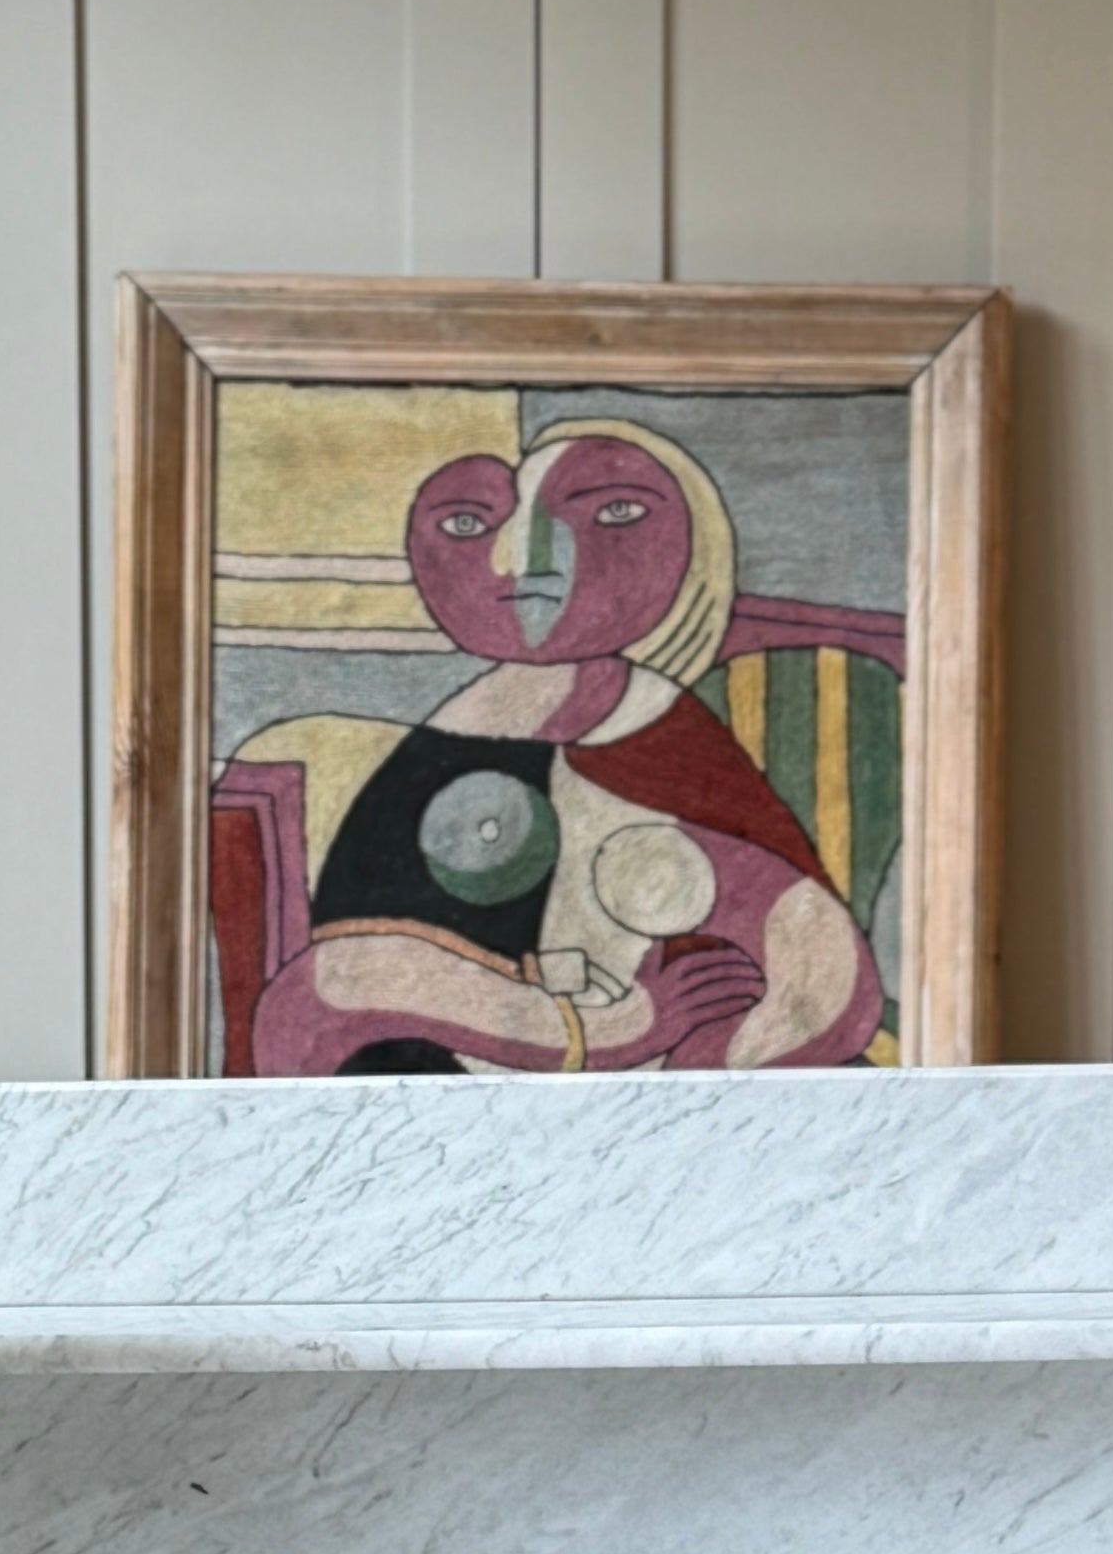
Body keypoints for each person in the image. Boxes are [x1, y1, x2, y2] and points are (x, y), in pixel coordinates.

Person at [230, 421, 886, 1076]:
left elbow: (819, 969)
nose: (527, 559)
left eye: (615, 513)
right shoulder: (448, 739)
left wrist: (710, 1065)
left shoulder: (660, 733)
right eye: (466, 524)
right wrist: (603, 1030)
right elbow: (332, 987)